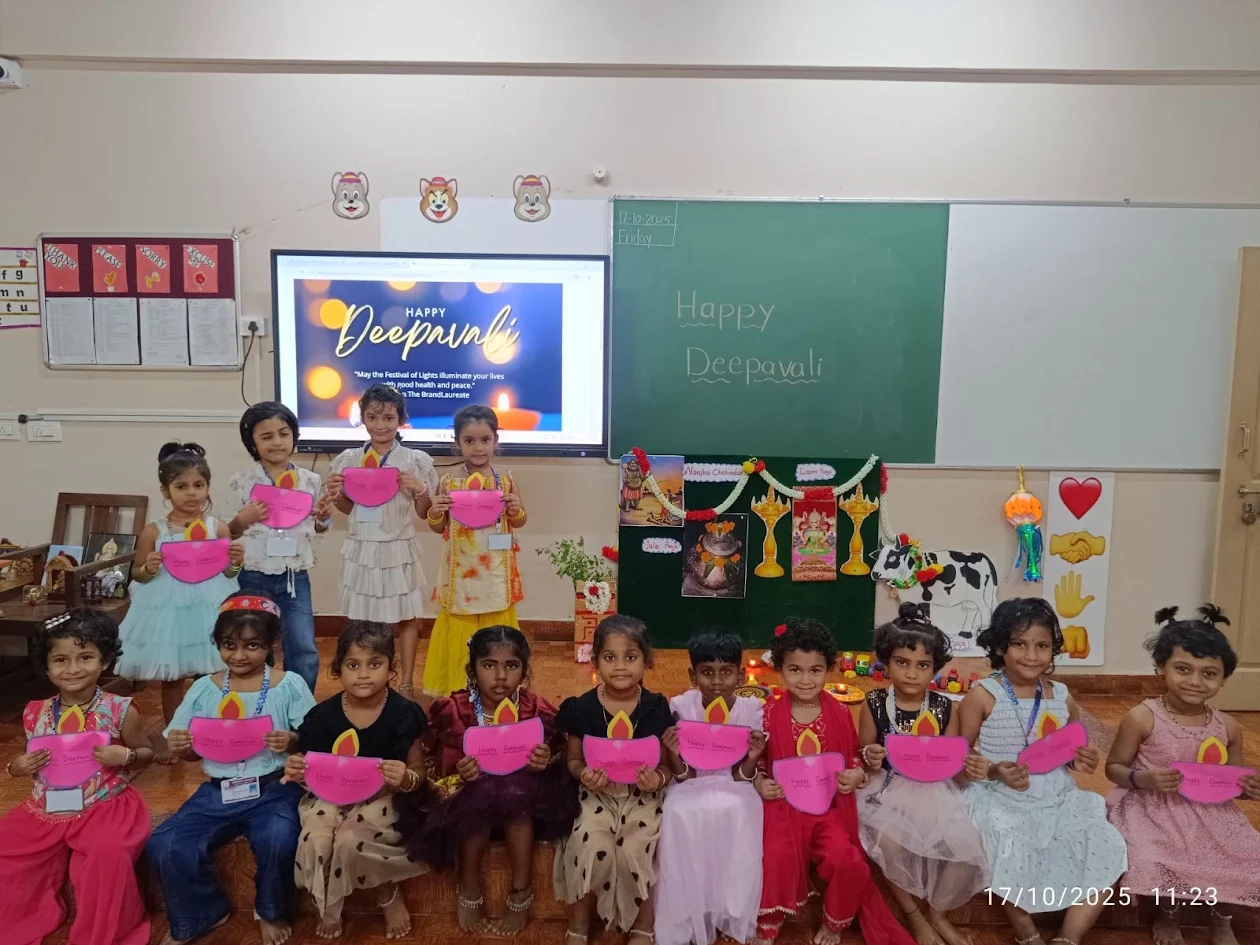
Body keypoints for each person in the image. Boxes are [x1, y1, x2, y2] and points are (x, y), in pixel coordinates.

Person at [147, 594, 315, 945]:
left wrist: (292, 739)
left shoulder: (288, 685)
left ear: (271, 643)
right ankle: (204, 911)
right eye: (229, 645)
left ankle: (270, 910)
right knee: (166, 842)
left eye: (252, 645)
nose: (239, 655)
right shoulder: (203, 690)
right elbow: (190, 755)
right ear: (218, 643)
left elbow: (314, 740)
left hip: (274, 788)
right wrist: (183, 747)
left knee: (279, 838)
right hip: (218, 790)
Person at [958, 598, 1127, 945]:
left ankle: (1069, 937)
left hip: (1056, 794)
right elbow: (961, 753)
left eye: (1042, 646)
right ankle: (1026, 932)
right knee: (1001, 836)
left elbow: (1070, 747)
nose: (1032, 655)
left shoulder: (1062, 696)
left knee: (1105, 841)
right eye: (1020, 644)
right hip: (999, 793)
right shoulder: (983, 695)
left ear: (1053, 649)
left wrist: (1079, 760)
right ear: (1000, 647)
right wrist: (994, 770)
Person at [399, 625, 573, 934]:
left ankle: (521, 890)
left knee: (515, 798)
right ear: (473, 669)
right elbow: (431, 757)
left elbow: (563, 750)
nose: (501, 676)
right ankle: (469, 886)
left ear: (524, 670)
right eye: (489, 665)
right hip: (466, 799)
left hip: (526, 801)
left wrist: (545, 760)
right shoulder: (455, 710)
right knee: (480, 799)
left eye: (512, 666)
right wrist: (460, 770)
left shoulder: (535, 709)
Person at [753, 618, 915, 945]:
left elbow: (852, 756)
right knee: (776, 854)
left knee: (849, 861)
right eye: (795, 670)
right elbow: (757, 762)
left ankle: (834, 921)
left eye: (815, 670)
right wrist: (759, 782)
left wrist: (855, 773)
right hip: (783, 807)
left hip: (828, 809)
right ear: (780, 670)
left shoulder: (839, 714)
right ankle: (769, 921)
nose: (806, 680)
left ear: (828, 668)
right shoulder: (767, 713)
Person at [1105, 605, 1260, 945]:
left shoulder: (1228, 726)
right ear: (1161, 667)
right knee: (1155, 854)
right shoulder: (1142, 717)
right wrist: (1143, 779)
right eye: (1183, 669)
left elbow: (1231, 781)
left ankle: (1221, 917)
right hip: (1152, 806)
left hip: (1210, 810)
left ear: (1223, 678)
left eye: (1209, 673)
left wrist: (1246, 787)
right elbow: (1114, 768)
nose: (1195, 681)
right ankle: (1169, 912)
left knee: (1245, 851)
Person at [0, 610, 154, 945]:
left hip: (105, 806)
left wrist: (127, 756)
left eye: (85, 657)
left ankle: (104, 933)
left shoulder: (121, 709)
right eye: (60, 660)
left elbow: (146, 753)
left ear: (105, 660)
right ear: (46, 667)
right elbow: (24, 762)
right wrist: (17, 766)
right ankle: (23, 918)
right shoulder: (35, 712)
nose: (72, 669)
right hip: (45, 809)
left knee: (107, 856)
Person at [856, 603, 991, 945]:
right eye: (902, 662)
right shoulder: (874, 703)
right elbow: (864, 755)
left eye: (923, 665)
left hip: (935, 791)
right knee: (887, 844)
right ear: (886, 662)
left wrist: (968, 767)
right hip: (886, 789)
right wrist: (871, 757)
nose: (912, 674)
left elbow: (953, 763)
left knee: (966, 847)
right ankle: (914, 916)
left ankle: (938, 914)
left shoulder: (945, 707)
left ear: (935, 667)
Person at [285, 621, 429, 940]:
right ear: (338, 670)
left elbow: (418, 772)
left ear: (391, 668)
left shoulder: (403, 714)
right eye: (353, 665)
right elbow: (309, 766)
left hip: (382, 798)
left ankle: (386, 892)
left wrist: (405, 778)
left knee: (351, 838)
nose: (363, 674)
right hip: (328, 797)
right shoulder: (322, 716)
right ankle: (327, 901)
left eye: (374, 664)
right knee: (317, 839)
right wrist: (297, 769)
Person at [116, 441, 244, 759]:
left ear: (208, 487)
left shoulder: (218, 528)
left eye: (198, 485)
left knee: (214, 675)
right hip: (169, 611)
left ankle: (213, 733)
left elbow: (228, 573)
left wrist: (236, 562)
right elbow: (137, 574)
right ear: (165, 490)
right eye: (181, 486)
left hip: (209, 606)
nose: (191, 493)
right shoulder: (154, 531)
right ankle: (176, 738)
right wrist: (148, 568)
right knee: (173, 677)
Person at [554, 615, 674, 945]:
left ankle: (641, 924)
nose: (620, 666)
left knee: (638, 848)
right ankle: (579, 924)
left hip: (642, 798)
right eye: (610, 657)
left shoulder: (656, 709)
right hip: (597, 796)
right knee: (591, 844)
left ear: (646, 661)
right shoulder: (582, 708)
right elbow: (573, 760)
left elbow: (666, 766)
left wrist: (656, 780)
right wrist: (584, 774)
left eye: (630, 657)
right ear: (595, 661)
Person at [655, 629, 765, 945]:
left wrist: (753, 756)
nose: (717, 682)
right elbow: (683, 775)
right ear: (693, 676)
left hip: (734, 785)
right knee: (678, 812)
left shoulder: (750, 711)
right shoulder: (682, 707)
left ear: (740, 675)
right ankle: (690, 912)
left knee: (740, 811)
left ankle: (730, 912)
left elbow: (743, 777)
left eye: (726, 672)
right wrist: (672, 753)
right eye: (707, 672)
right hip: (691, 784)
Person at [326, 384, 437, 698]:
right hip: (362, 547)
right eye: (372, 417)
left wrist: (420, 490)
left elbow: (424, 512)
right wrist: (337, 495)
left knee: (407, 616)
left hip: (398, 547)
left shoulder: (415, 460)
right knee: (361, 618)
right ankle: (366, 680)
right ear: (363, 418)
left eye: (389, 418)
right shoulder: (349, 460)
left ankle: (406, 683)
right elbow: (348, 507)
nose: (380, 425)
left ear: (401, 420)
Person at [226, 401, 334, 693]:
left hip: (294, 577)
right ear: (252, 443)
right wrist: (241, 520)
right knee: (254, 644)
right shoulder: (241, 482)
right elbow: (227, 533)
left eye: (284, 433)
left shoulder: (310, 480)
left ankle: (299, 706)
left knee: (303, 646)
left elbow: (318, 528)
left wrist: (323, 518)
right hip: (252, 576)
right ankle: (256, 702)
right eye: (266, 436)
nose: (277, 442)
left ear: (294, 436)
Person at [422, 404, 527, 697]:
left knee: (498, 636)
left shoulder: (506, 482)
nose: (478, 447)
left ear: (495, 440)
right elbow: (437, 526)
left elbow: (519, 520)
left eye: (485, 440)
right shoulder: (448, 483)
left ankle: (499, 691)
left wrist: (516, 509)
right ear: (457, 443)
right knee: (460, 631)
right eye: (469, 440)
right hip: (461, 578)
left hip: (496, 576)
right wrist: (434, 512)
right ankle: (459, 694)